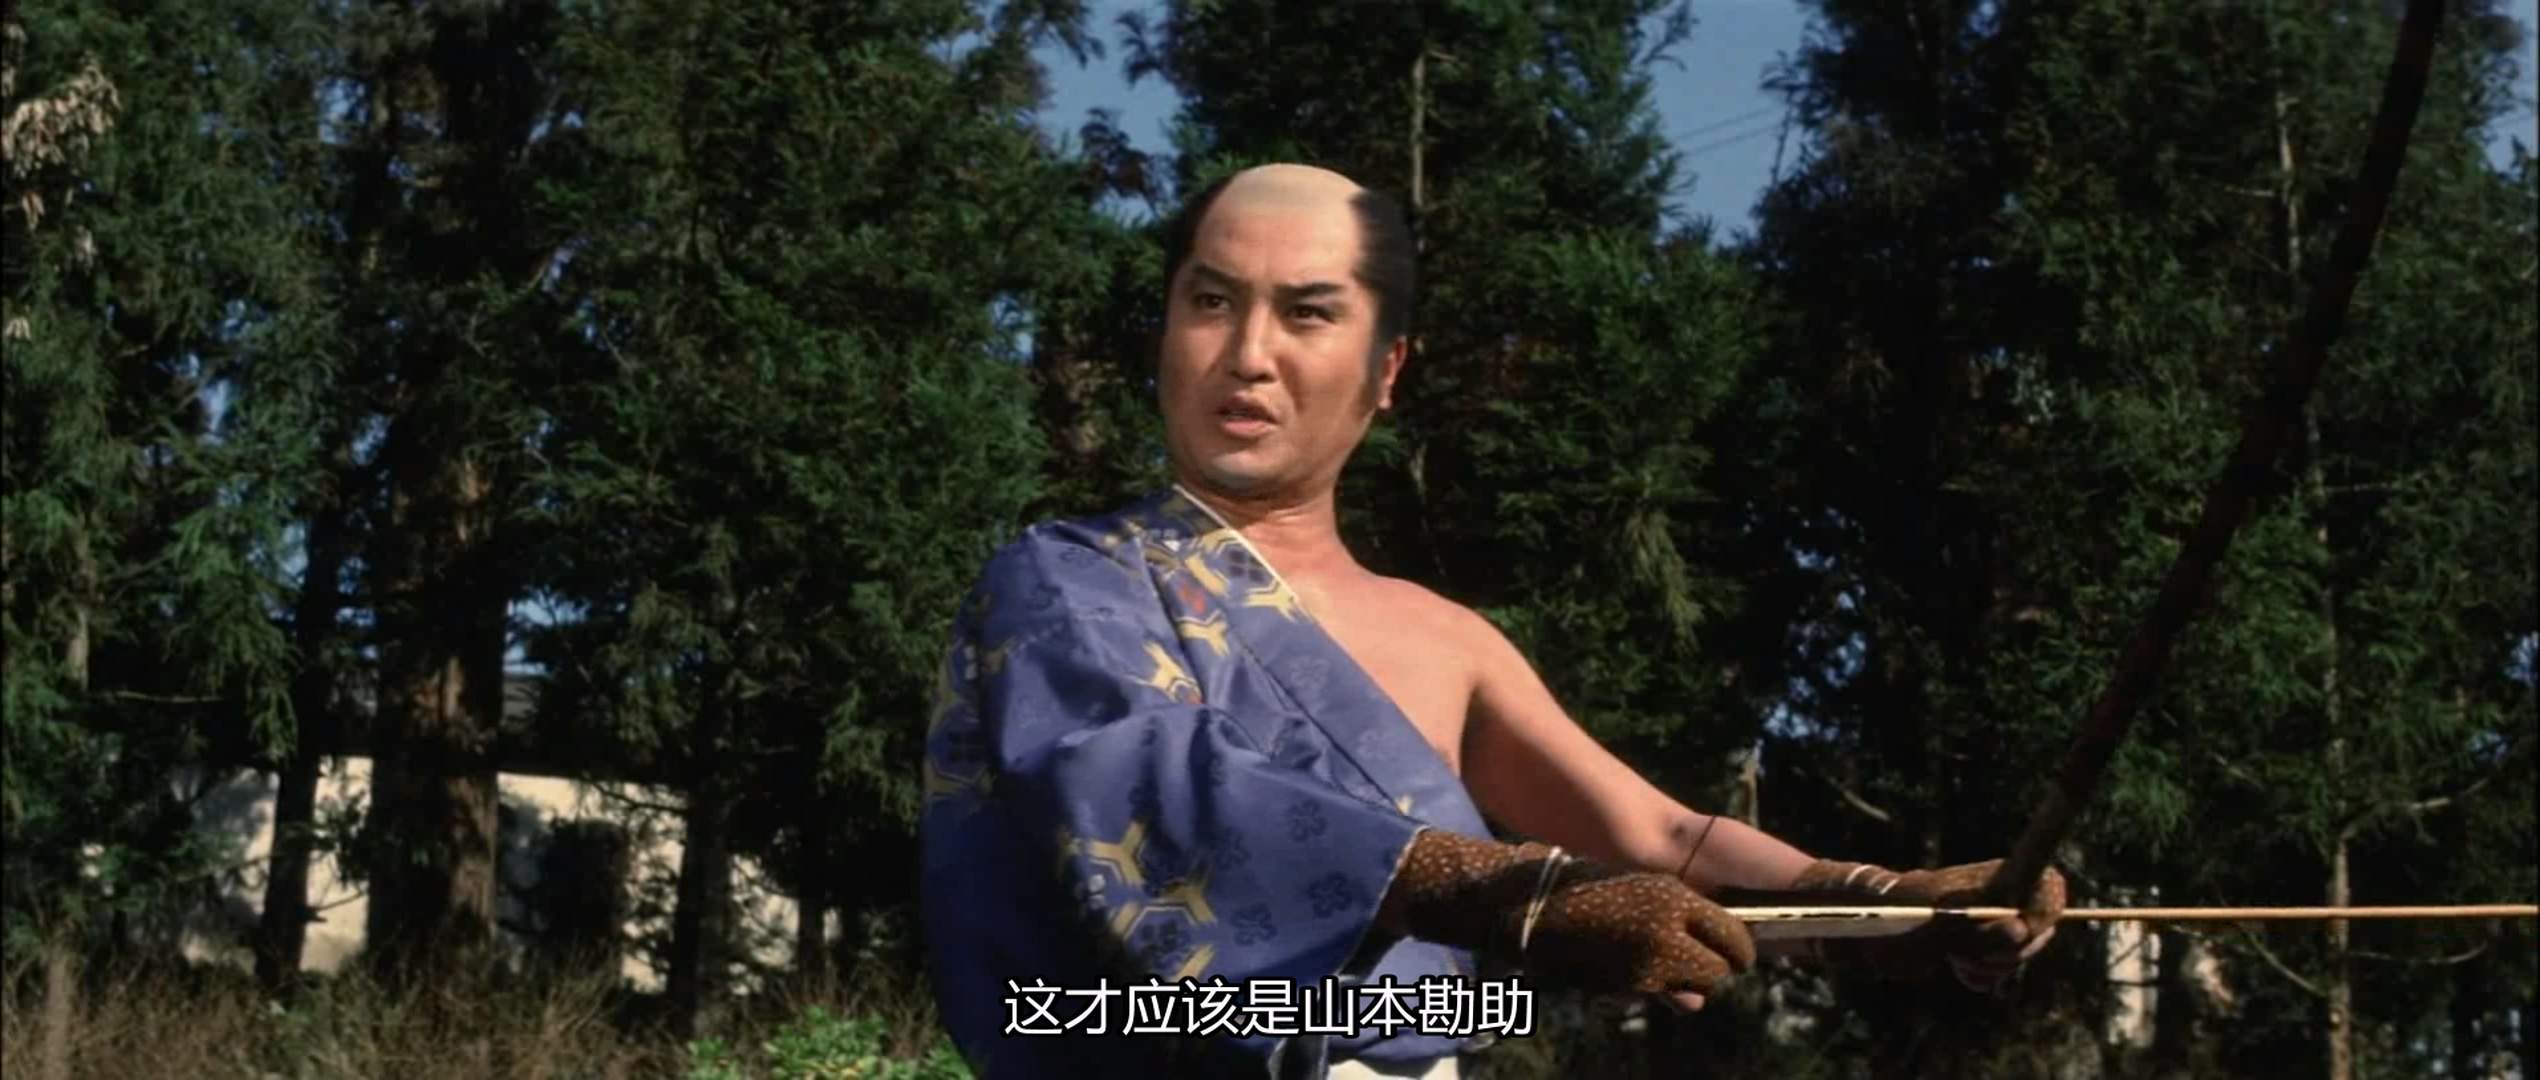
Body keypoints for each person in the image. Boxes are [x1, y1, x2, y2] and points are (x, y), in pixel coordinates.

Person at [918, 163, 2065, 1079]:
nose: (1247, 354)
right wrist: (1511, 897)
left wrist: (1884, 902)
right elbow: (1153, 790)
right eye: (1210, 302)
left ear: (1386, 369)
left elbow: (1657, 838)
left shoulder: (1445, 637)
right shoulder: (1063, 585)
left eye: (1307, 312)